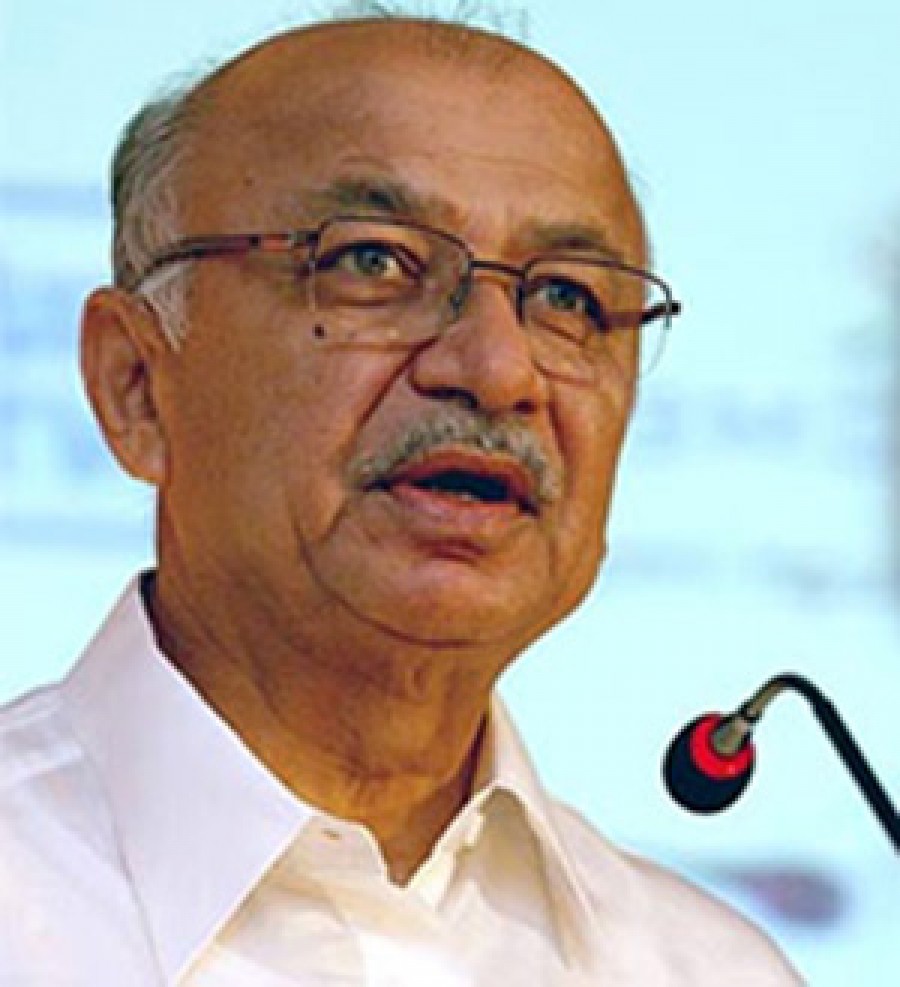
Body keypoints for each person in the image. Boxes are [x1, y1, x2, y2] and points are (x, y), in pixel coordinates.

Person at [0, 8, 804, 985]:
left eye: (569, 299)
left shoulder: (711, 968)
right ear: (136, 384)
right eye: (372, 263)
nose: (499, 369)